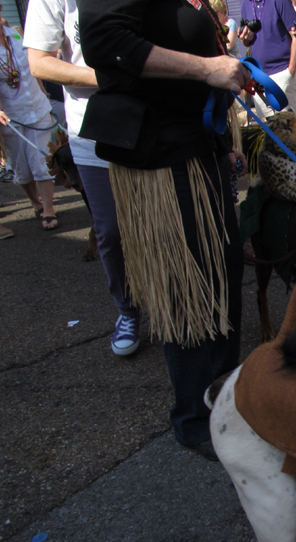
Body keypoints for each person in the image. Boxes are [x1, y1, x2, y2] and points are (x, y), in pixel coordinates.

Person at [76, 0, 250, 460]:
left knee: (223, 276)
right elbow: (105, 43)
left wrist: (224, 142)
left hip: (200, 147)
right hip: (159, 157)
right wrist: (205, 68)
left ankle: (227, 404)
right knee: (186, 288)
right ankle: (196, 419)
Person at [25, 0, 142, 356]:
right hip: (93, 131)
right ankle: (128, 310)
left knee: (165, 224)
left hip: (157, 124)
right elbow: (39, 61)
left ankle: (175, 305)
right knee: (110, 230)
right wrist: (109, 75)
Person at [0, 7, 59, 232]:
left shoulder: (16, 35)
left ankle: (49, 209)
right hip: (12, 117)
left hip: (38, 108)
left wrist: (44, 92)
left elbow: (33, 67)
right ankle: (35, 201)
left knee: (40, 160)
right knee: (21, 167)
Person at [239, 0, 296, 114]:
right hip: (259, 76)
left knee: (290, 125)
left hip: (282, 71)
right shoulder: (245, 3)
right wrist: (245, 39)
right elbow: (247, 43)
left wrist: (290, 71)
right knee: (268, 126)